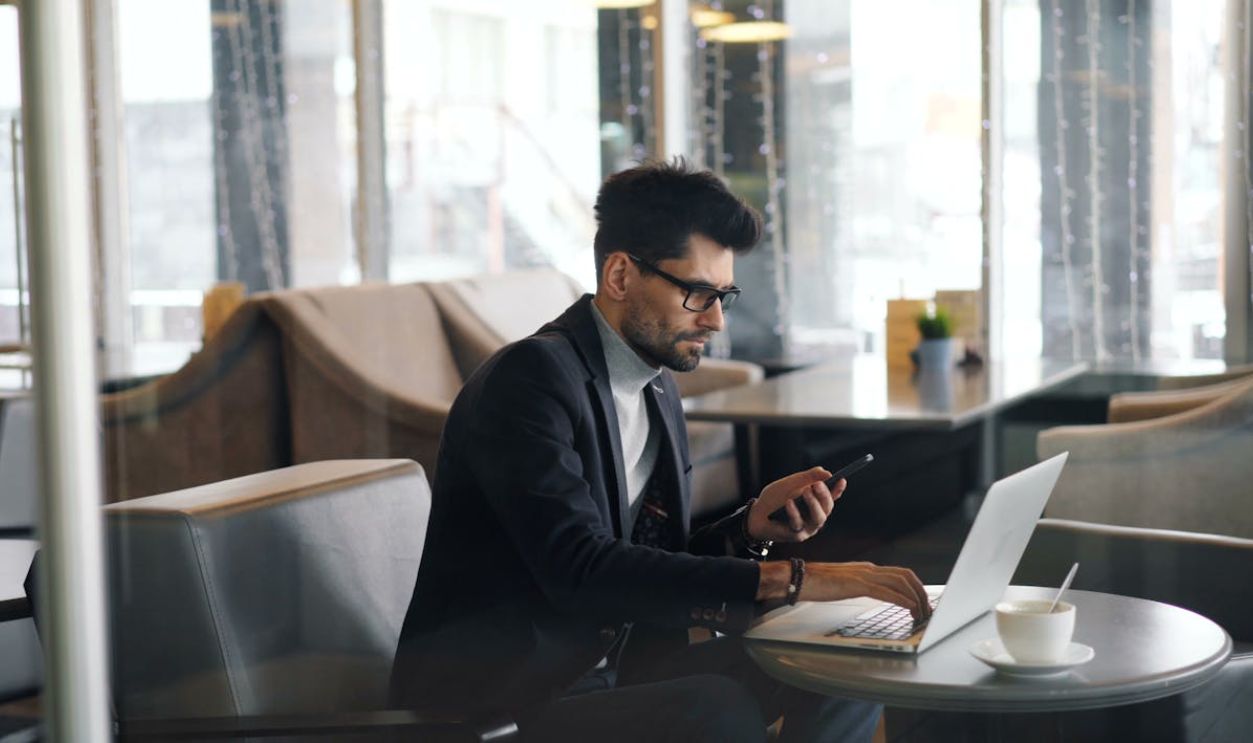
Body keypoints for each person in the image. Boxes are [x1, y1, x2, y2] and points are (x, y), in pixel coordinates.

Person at [389, 159, 931, 742]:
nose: (717, 320)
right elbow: (581, 570)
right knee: (715, 708)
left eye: (724, 295)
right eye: (698, 294)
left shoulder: (655, 385)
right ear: (620, 275)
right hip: (500, 703)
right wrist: (794, 580)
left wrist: (748, 530)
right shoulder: (529, 380)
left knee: (842, 666)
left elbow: (651, 559)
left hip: (611, 673)